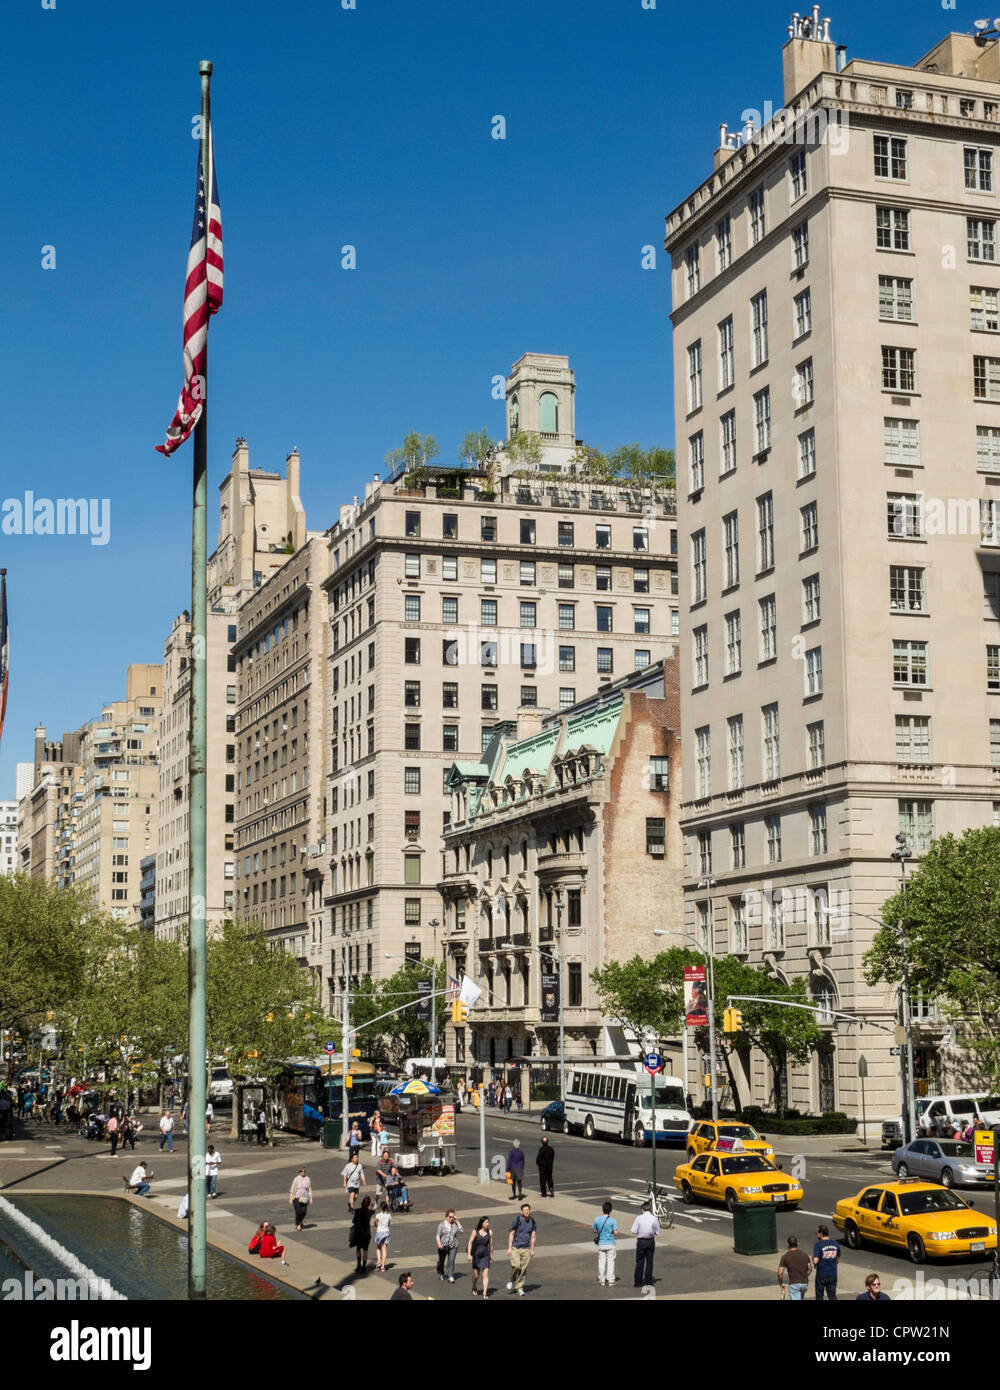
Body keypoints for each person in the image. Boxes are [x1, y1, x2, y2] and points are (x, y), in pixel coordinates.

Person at [505, 1202, 537, 1297]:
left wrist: (532, 1250)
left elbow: (533, 1236)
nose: (527, 1212)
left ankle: (519, 1288)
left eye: (528, 1210)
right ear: (521, 1211)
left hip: (526, 1249)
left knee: (523, 1270)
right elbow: (511, 1234)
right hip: (516, 1247)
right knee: (516, 1266)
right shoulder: (517, 1220)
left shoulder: (533, 1221)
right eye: (525, 1210)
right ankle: (511, 1279)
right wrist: (509, 1248)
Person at [631, 1201, 660, 1288]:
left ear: (643, 1209)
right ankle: (648, 1281)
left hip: (641, 1241)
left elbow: (633, 1231)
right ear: (650, 1209)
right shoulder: (654, 1218)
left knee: (639, 1261)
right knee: (649, 1261)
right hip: (650, 1241)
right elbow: (657, 1232)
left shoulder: (638, 1218)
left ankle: (638, 1282)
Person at [593, 1200, 619, 1286]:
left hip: (601, 1243)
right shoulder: (613, 1220)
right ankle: (610, 1280)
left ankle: (602, 1280)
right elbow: (615, 1232)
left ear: (602, 1209)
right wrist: (611, 1231)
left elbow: (594, 1230)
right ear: (610, 1210)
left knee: (601, 1262)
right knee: (610, 1262)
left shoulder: (597, 1219)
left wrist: (599, 1230)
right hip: (610, 1243)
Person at [778, 1235, 812, 1301]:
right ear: (797, 1244)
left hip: (794, 1284)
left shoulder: (785, 1257)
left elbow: (780, 1273)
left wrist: (781, 1283)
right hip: (804, 1284)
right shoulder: (805, 1255)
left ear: (787, 1245)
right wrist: (804, 1275)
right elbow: (810, 1269)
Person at [468, 1216, 493, 1298]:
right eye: (486, 1222)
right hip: (476, 1254)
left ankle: (485, 1293)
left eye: (488, 1222)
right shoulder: (475, 1232)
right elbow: (470, 1243)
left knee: (486, 1272)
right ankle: (474, 1286)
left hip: (485, 1254)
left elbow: (491, 1245)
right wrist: (469, 1254)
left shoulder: (490, 1232)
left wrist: (491, 1255)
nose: (487, 1224)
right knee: (476, 1274)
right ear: (482, 1223)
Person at [813, 1224, 840, 1300]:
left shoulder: (818, 1245)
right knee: (832, 1296)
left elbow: (815, 1260)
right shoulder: (835, 1244)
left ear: (821, 1234)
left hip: (822, 1274)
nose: (817, 1235)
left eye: (817, 1233)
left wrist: (815, 1263)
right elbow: (837, 1259)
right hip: (833, 1274)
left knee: (819, 1296)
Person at [436, 1208, 464, 1282]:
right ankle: (441, 1273)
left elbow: (462, 1231)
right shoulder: (441, 1225)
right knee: (441, 1261)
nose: (451, 1218)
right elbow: (438, 1235)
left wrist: (457, 1222)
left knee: (451, 1260)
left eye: (453, 1217)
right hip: (443, 1246)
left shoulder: (454, 1224)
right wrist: (439, 1243)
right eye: (450, 1217)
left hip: (453, 1245)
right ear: (446, 1216)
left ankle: (450, 1275)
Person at [350, 1195, 374, 1273]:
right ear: (368, 1204)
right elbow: (373, 1210)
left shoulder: (358, 1211)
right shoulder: (369, 1212)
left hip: (358, 1233)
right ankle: (364, 1267)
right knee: (365, 1250)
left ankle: (358, 1266)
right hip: (366, 1234)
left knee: (358, 1249)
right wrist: (373, 1204)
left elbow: (353, 1221)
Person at [374, 1201, 392, 1271]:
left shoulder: (378, 1215)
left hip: (379, 1232)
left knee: (378, 1247)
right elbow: (389, 1224)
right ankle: (383, 1266)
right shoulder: (389, 1215)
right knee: (384, 1250)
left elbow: (376, 1224)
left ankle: (379, 1261)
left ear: (381, 1207)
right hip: (386, 1232)